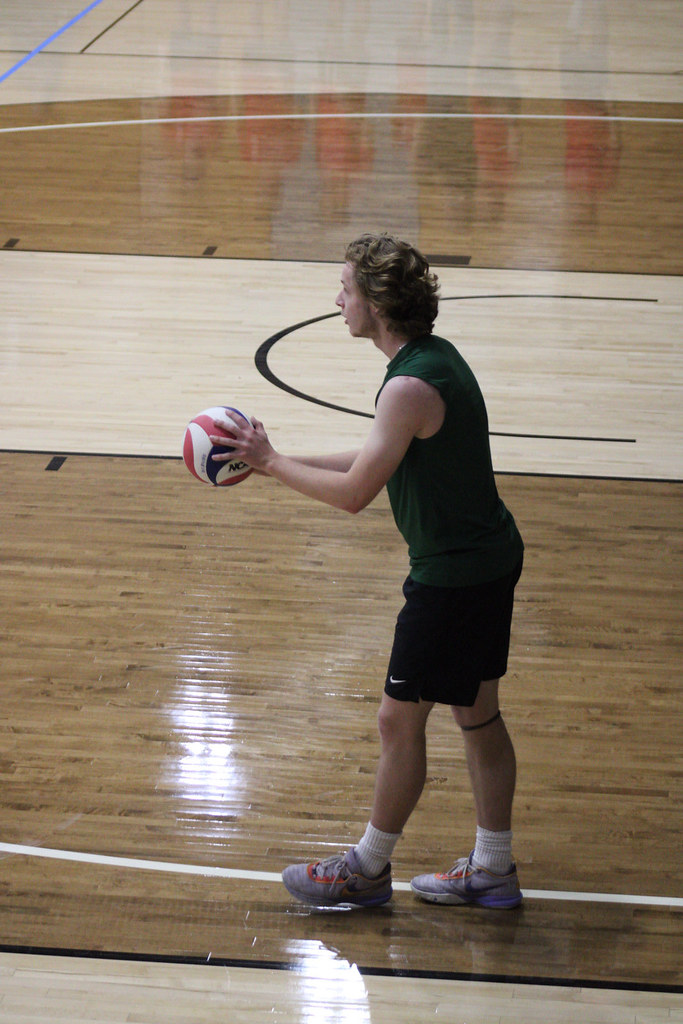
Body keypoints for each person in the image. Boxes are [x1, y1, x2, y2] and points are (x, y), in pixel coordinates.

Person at [210, 233, 525, 910]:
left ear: (376, 303)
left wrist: (269, 464)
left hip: (452, 577)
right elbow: (374, 458)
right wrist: (278, 460)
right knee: (476, 715)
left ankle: (367, 867)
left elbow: (355, 495)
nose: (337, 300)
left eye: (345, 288)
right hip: (484, 559)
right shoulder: (429, 363)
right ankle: (493, 868)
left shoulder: (407, 385)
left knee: (396, 722)